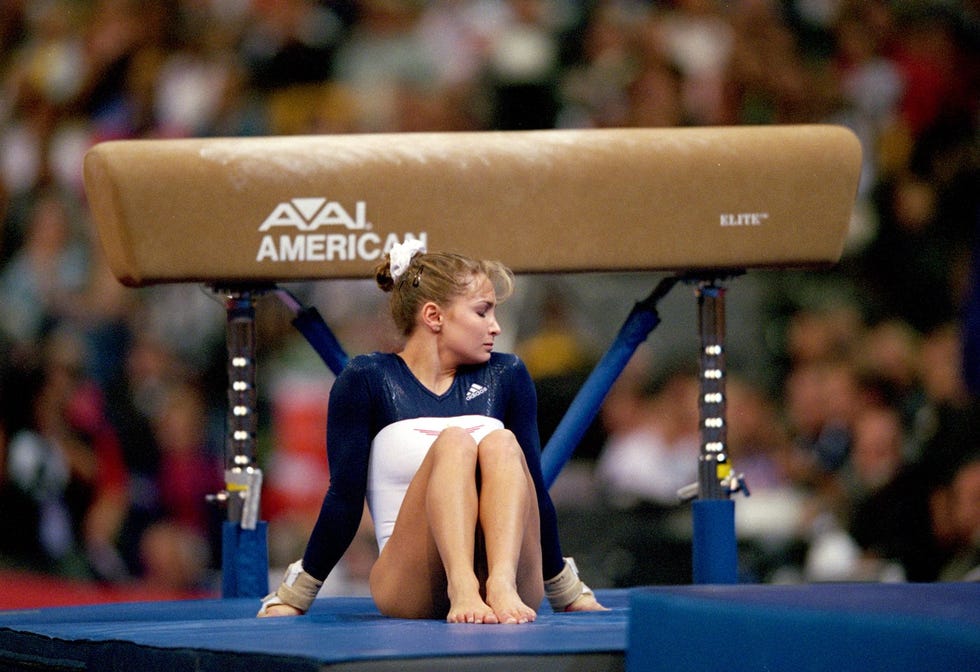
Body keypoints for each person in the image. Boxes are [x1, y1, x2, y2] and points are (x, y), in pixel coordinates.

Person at [259, 241, 604, 624]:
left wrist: (565, 589)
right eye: (482, 312)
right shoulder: (368, 379)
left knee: (502, 443)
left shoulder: (507, 374)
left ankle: (498, 584)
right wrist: (298, 592)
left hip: (507, 581)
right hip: (411, 580)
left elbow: (534, 492)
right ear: (434, 316)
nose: (496, 327)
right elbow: (344, 498)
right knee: (454, 443)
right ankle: (462, 586)